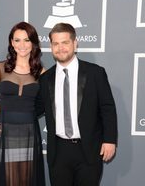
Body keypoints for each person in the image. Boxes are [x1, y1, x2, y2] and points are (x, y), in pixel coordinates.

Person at [36, 23, 118, 186]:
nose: (60, 48)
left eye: (65, 42)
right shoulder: (45, 78)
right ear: (51, 46)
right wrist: (9, 109)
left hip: (88, 149)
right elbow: (35, 108)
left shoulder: (95, 72)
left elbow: (107, 108)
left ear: (75, 43)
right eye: (55, 44)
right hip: (58, 151)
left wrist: (110, 140)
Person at [0, 21, 46, 186]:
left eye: (27, 40)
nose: (22, 45)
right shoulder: (0, 68)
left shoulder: (41, 72)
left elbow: (47, 104)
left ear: (33, 43)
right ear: (12, 43)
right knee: (8, 179)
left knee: (28, 179)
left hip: (29, 131)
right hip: (5, 131)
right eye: (17, 40)